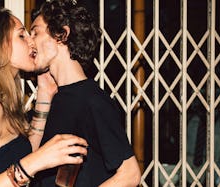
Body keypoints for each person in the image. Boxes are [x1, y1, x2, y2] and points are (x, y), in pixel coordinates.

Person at [0, 7, 88, 187]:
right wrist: (37, 161)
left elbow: (20, 155)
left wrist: (44, 95)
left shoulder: (0, 98)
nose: (31, 41)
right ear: (0, 46)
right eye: (22, 36)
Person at [29, 0, 142, 186]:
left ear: (62, 35)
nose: (30, 41)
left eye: (36, 32)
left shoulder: (92, 100)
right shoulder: (54, 97)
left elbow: (130, 174)